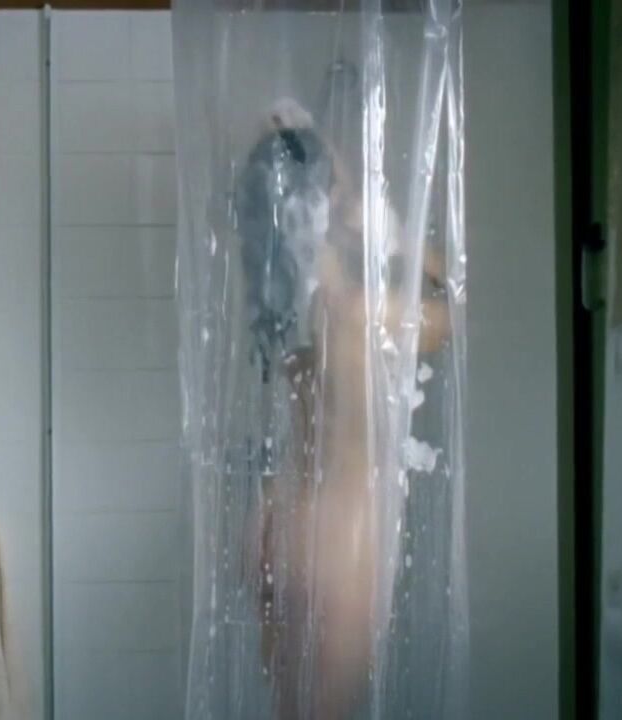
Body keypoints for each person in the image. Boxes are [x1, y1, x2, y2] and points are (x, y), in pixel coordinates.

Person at [237, 100, 450, 719]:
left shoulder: (283, 319)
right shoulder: (361, 317)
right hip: (341, 534)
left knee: (290, 710)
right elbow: (453, 303)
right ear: (328, 207)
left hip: (275, 520)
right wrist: (390, 226)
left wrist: (308, 155)